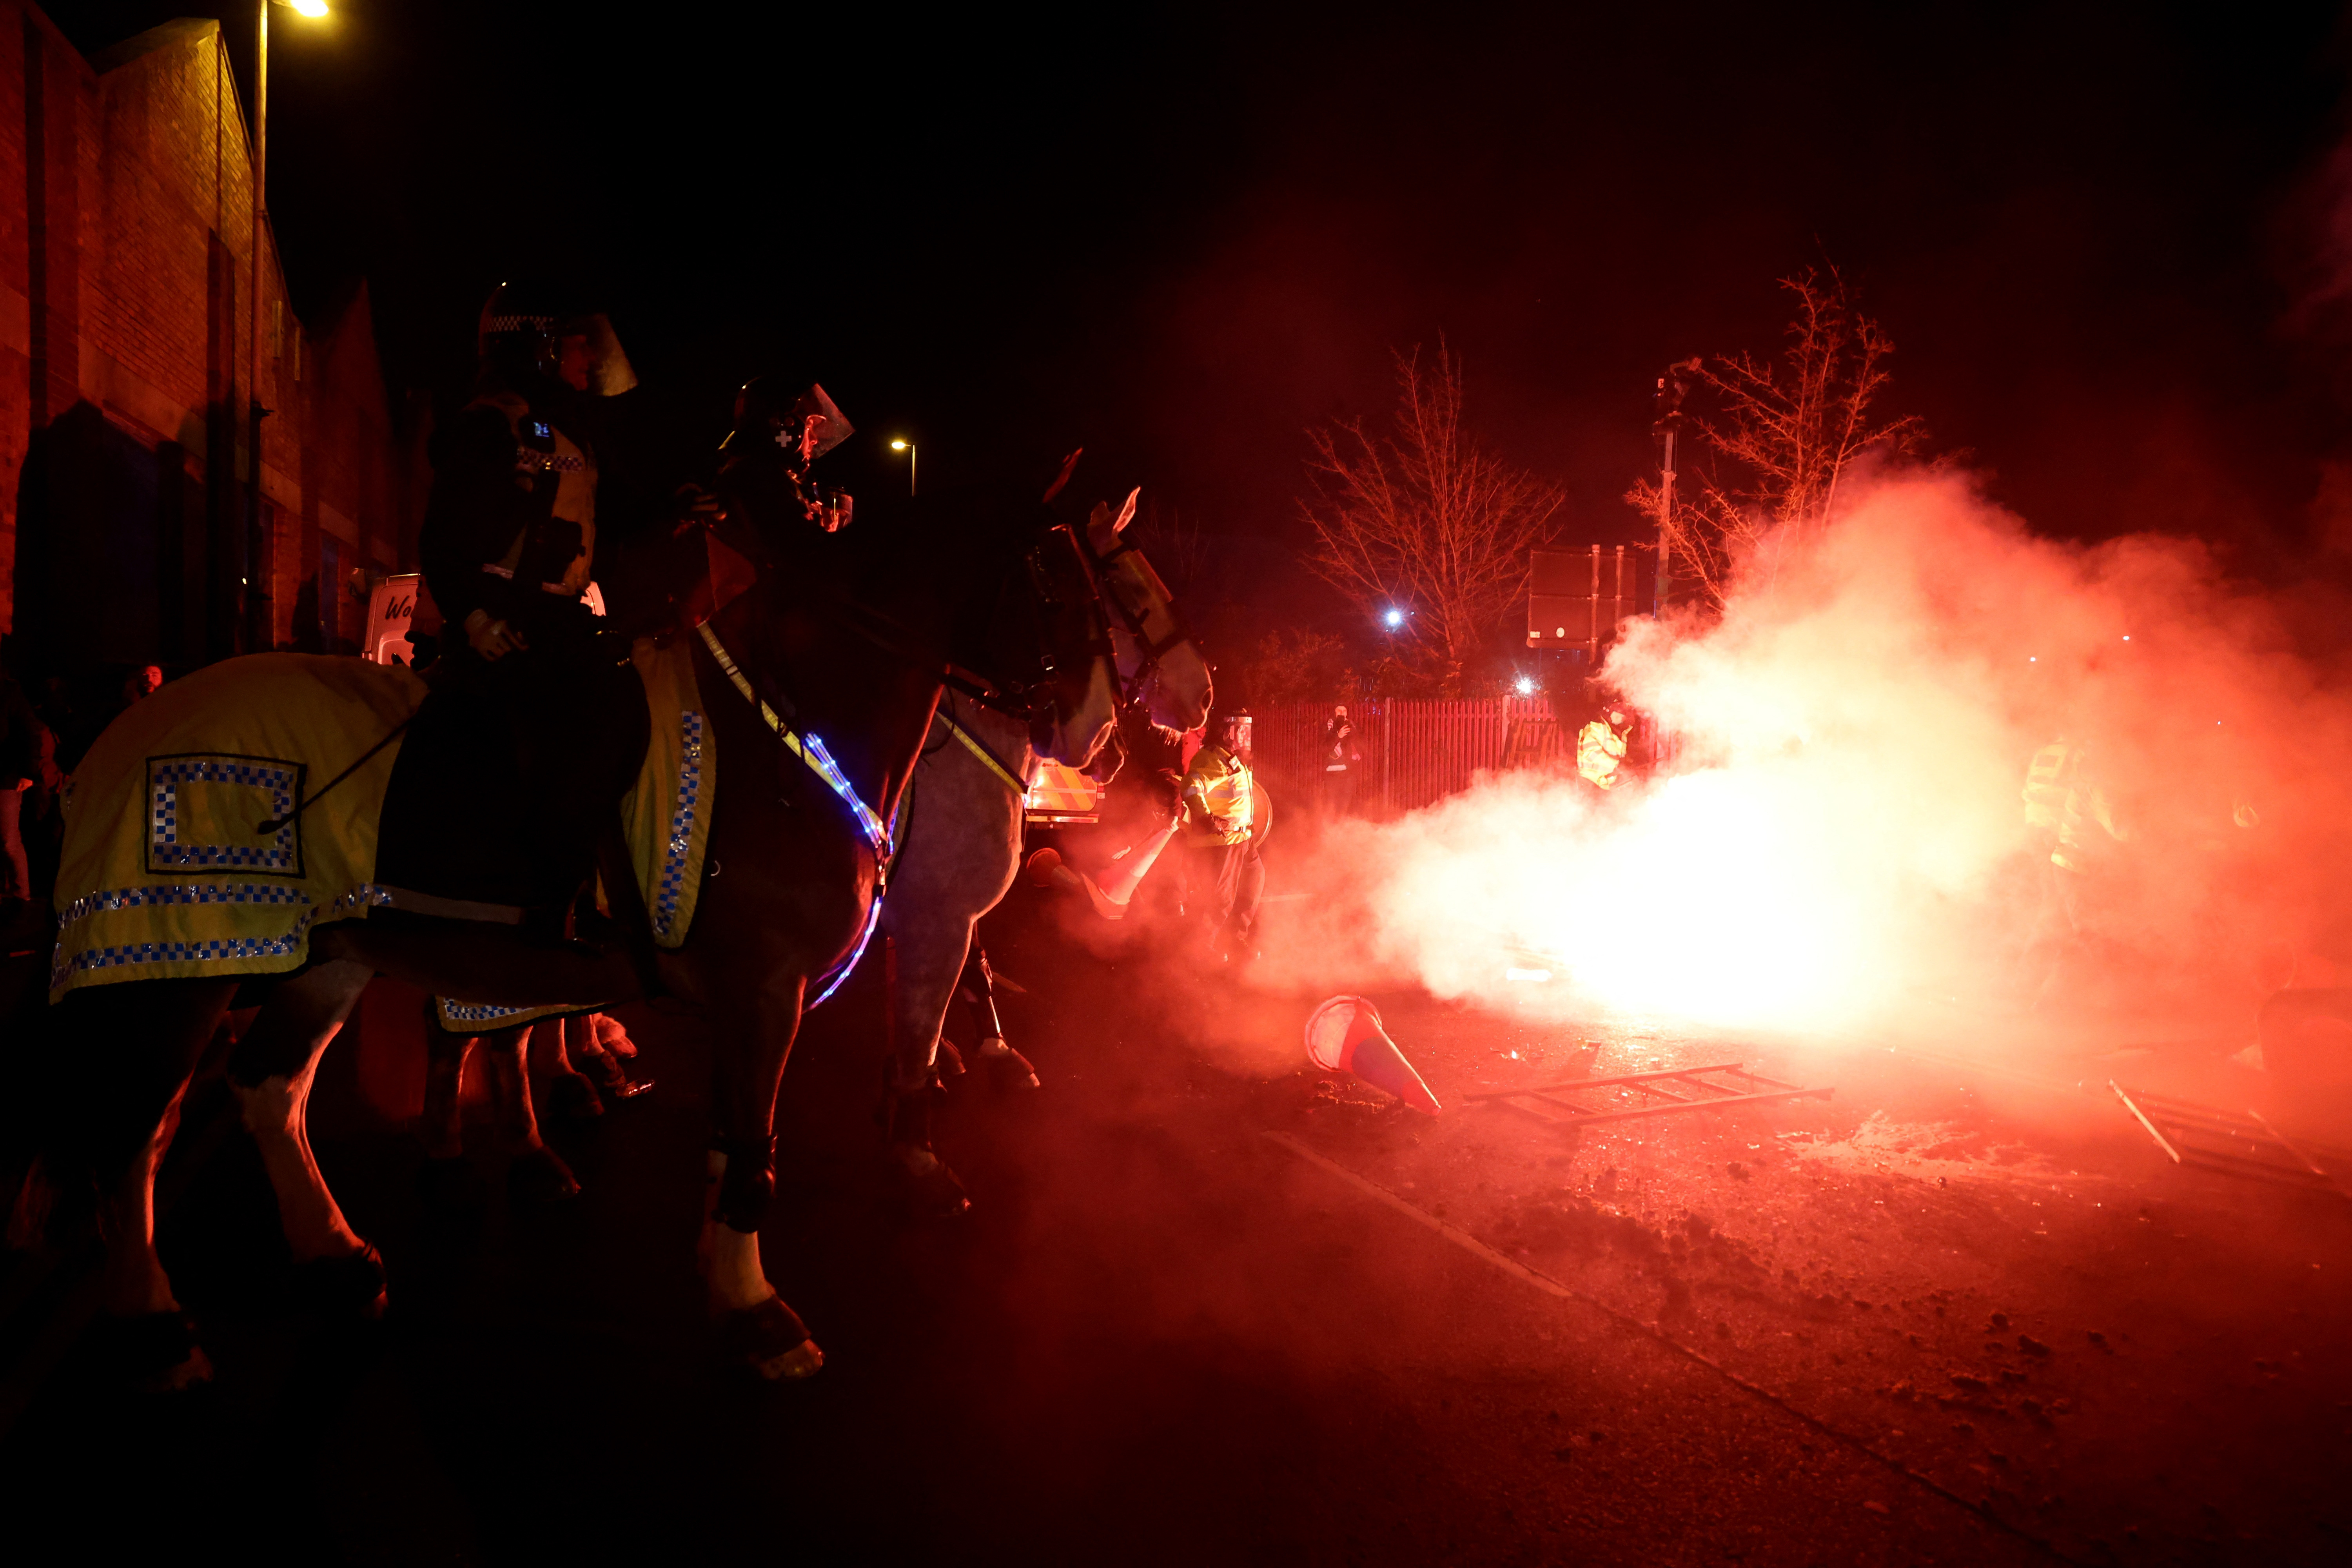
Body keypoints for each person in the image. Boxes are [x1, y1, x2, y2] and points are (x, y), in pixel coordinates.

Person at [402, 281, 647, 909]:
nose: (589, 360)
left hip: (556, 619)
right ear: (538, 345)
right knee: (585, 717)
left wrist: (685, 505)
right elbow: (443, 540)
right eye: (577, 346)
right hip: (504, 624)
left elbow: (625, 511)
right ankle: (541, 887)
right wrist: (475, 618)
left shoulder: (569, 435)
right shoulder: (492, 425)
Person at [1181, 709, 1263, 961]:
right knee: (1220, 900)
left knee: (1252, 884)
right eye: (1241, 731)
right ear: (1226, 732)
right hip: (1221, 841)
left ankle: (1236, 939)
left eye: (1248, 730)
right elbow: (1190, 787)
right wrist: (1206, 819)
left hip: (1242, 839)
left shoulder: (1235, 760)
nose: (1246, 736)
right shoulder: (1213, 759)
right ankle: (1202, 951)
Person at [1577, 702, 1635, 791]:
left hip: (1606, 785)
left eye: (1623, 717)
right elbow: (1591, 753)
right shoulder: (1596, 728)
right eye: (1617, 715)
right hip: (1590, 785)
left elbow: (1617, 757)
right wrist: (1616, 765)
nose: (1620, 719)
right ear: (1609, 713)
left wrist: (1627, 763)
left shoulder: (1617, 736)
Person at [1319, 703, 1361, 818]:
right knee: (1332, 803)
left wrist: (1351, 728)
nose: (1342, 713)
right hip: (1331, 773)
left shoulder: (1352, 726)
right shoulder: (1326, 728)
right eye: (1339, 711)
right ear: (1334, 713)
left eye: (1344, 711)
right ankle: (1330, 825)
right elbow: (1323, 749)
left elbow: (1360, 743)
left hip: (1348, 772)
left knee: (1346, 804)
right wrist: (1338, 736)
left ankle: (1342, 825)